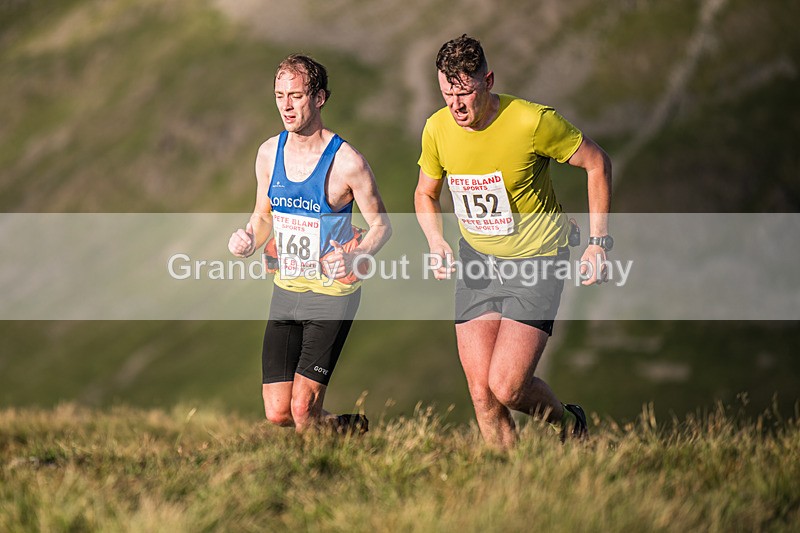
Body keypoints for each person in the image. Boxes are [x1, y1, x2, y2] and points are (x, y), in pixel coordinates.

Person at [414, 35, 612, 449]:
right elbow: (425, 192)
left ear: (487, 80)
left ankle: (568, 423)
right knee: (481, 393)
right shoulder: (437, 128)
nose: (456, 106)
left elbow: (597, 163)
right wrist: (436, 241)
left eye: (465, 92)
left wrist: (597, 242)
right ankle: (508, 481)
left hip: (537, 260)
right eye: (447, 93)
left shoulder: (532, 122)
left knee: (506, 387)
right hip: (477, 262)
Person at [229, 54, 391, 434]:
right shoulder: (269, 153)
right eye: (279, 95)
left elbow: (382, 225)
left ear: (319, 98)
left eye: (296, 95)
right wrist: (249, 238)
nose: (286, 105)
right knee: (279, 413)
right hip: (286, 291)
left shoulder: (347, 162)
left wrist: (357, 256)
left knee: (302, 409)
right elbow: (263, 216)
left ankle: (323, 474)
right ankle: (348, 429)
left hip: (332, 295)